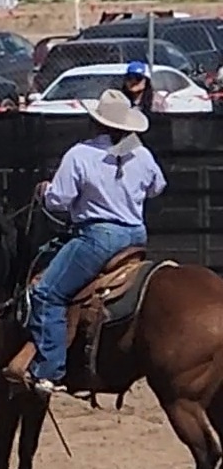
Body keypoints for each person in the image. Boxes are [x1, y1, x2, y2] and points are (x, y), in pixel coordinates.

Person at [23, 88, 167, 396]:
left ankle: (49, 370)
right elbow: (157, 187)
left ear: (97, 122)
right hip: (136, 236)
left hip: (98, 237)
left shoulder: (79, 154)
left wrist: (45, 192)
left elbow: (59, 201)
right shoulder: (140, 153)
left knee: (47, 293)